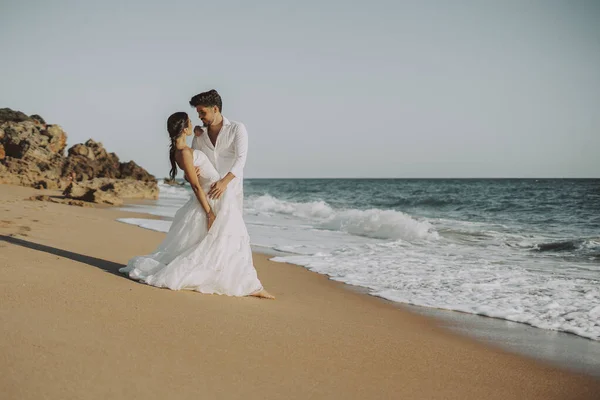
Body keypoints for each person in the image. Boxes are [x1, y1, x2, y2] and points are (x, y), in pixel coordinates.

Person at [119, 112, 274, 299]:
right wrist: (209, 213)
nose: (195, 123)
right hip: (214, 198)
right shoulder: (184, 152)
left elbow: (193, 175)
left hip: (218, 194)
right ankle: (249, 285)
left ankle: (246, 283)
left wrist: (200, 134)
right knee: (230, 239)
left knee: (227, 241)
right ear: (184, 129)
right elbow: (195, 185)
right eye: (191, 122)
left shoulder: (183, 148)